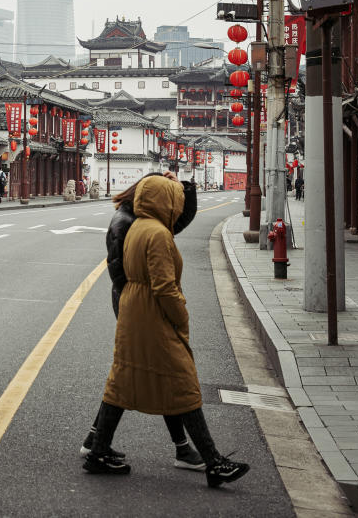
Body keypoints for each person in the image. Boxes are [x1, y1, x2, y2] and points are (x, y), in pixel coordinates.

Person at [83, 175, 250, 489]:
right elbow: (164, 287)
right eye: (174, 199)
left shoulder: (138, 225)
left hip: (134, 308)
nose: (177, 205)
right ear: (164, 201)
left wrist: (186, 186)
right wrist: (181, 317)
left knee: (123, 378)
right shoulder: (158, 234)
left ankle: (99, 449)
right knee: (182, 382)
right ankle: (213, 462)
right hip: (152, 313)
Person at [80, 170, 204, 471]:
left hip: (141, 304)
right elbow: (121, 272)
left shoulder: (146, 220)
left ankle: (96, 441)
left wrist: (185, 187)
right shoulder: (127, 223)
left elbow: (180, 219)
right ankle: (184, 449)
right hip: (136, 305)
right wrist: (142, 310)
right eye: (167, 194)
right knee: (159, 372)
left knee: (137, 373)